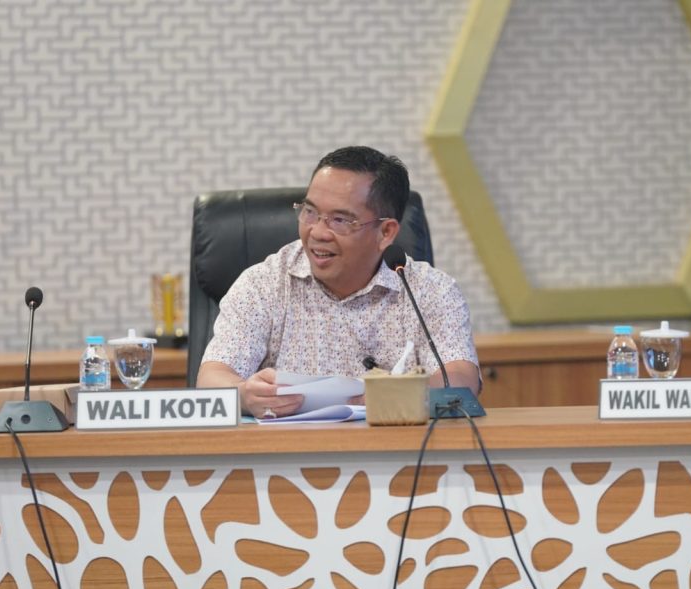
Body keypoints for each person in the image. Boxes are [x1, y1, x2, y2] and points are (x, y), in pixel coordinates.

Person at [197, 146, 480, 416]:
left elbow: (459, 379)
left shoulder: (430, 291)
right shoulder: (263, 284)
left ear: (386, 232)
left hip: (393, 447)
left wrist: (387, 396)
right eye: (310, 212)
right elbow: (212, 378)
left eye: (340, 220)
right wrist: (244, 395)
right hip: (285, 448)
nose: (318, 232)